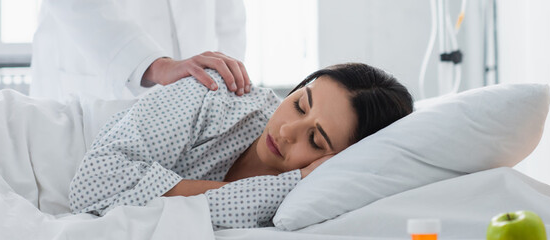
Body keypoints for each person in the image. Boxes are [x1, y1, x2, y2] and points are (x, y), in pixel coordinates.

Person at [68, 63, 414, 229]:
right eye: (299, 104)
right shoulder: (216, 94)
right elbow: (91, 185)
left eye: (314, 139)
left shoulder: (310, 197)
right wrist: (279, 184)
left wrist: (287, 185)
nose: (288, 131)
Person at [30, 0, 250, 102]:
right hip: (96, 76)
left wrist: (225, 83)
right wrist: (153, 65)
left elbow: (230, 19)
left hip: (196, 96)